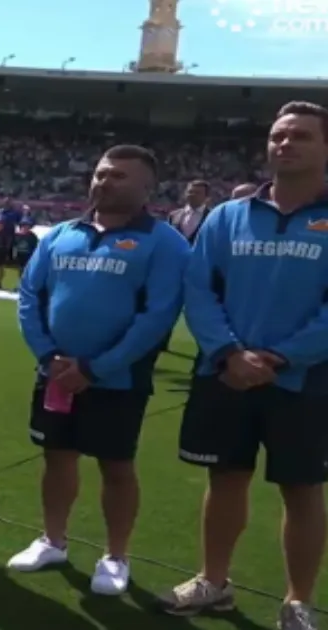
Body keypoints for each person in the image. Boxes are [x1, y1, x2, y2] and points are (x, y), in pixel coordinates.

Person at [160, 102, 328, 629]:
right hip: (225, 372)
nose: (285, 144)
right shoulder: (227, 216)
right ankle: (214, 581)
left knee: (302, 489)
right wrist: (230, 353)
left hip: (304, 379)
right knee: (225, 477)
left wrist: (280, 356)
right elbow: (199, 289)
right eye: (278, 135)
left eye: (300, 136)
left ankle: (297, 601)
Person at [9, 145, 190, 595]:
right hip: (55, 374)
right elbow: (31, 295)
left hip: (117, 378)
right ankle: (53, 540)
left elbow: (157, 316)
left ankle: (115, 555)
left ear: (148, 188)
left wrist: (96, 367)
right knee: (56, 456)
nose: (106, 182)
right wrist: (49, 357)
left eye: (120, 177)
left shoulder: (165, 242)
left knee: (116, 465)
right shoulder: (61, 234)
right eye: (102, 174)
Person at [0, 199, 23, 289]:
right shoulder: (1, 213)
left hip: (7, 236)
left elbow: (19, 220)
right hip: (0, 236)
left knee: (1, 263)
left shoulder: (12, 213)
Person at [169, 180, 211, 245]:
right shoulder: (174, 216)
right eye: (190, 192)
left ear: (206, 197)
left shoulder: (211, 217)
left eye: (197, 193)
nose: (192, 195)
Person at [10, 217, 40, 290]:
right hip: (20, 255)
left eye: (27, 226)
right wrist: (13, 255)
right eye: (24, 225)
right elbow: (14, 246)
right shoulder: (17, 235)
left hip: (28, 256)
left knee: (27, 272)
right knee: (20, 271)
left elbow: (35, 247)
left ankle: (26, 286)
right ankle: (20, 285)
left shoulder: (32, 236)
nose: (25, 227)